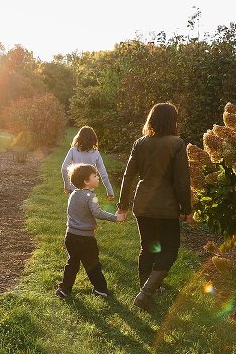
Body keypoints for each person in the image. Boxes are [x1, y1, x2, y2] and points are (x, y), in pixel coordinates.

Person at [117, 103, 192, 310]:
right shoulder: (177, 143)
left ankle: (147, 289)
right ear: (172, 121)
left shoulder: (140, 143)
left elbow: (128, 176)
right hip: (165, 206)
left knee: (148, 247)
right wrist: (187, 209)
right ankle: (145, 293)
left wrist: (123, 205)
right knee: (169, 249)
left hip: (142, 204)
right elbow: (181, 181)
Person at [56, 164, 127, 299]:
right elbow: (97, 213)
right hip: (85, 239)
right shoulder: (90, 196)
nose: (98, 178)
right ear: (86, 181)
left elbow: (76, 213)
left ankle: (64, 289)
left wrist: (88, 224)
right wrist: (116, 218)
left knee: (73, 262)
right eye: (95, 176)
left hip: (70, 235)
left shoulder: (73, 194)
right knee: (93, 264)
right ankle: (100, 289)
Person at [61, 126, 115, 201]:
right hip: (89, 190)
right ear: (93, 139)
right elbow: (104, 175)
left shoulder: (73, 150)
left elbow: (64, 168)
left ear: (79, 137)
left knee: (73, 210)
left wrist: (67, 186)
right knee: (88, 211)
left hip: (74, 189)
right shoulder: (96, 153)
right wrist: (110, 192)